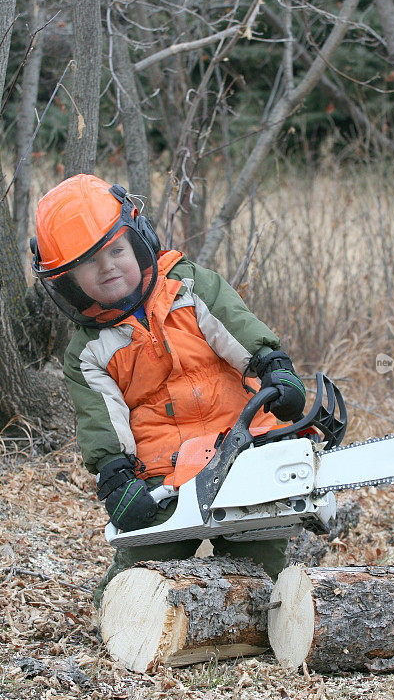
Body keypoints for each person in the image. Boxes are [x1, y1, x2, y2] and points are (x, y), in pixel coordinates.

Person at [31, 174, 306, 607]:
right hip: (163, 471)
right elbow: (102, 421)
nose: (109, 268)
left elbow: (238, 330)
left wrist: (274, 367)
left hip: (241, 442)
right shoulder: (89, 352)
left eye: (116, 250)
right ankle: (120, 612)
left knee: (261, 553)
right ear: (68, 281)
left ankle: (263, 608)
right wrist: (116, 480)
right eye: (90, 264)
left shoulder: (190, 286)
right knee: (140, 567)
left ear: (137, 238)